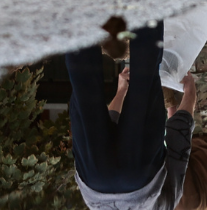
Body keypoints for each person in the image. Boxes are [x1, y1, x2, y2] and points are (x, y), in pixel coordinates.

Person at [66, 22, 197, 210]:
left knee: (145, 74)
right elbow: (107, 131)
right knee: (83, 83)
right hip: (95, 181)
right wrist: (120, 93)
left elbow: (179, 152)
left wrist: (190, 94)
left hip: (141, 181)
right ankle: (77, 6)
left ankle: (146, 2)